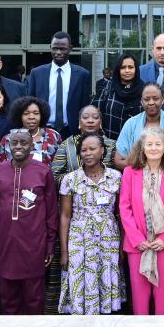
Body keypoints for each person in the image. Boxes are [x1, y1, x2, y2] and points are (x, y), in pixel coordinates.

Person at [0, 128, 58, 315]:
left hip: (34, 244)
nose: (18, 146)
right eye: (14, 143)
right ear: (8, 145)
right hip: (6, 244)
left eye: (23, 143)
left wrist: (50, 245)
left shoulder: (43, 172)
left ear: (32, 145)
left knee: (34, 298)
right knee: (8, 298)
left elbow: (51, 212)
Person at [119, 126, 164, 315]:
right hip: (137, 244)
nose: (154, 148)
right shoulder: (130, 173)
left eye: (158, 144)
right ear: (142, 148)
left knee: (163, 294)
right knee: (139, 295)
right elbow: (124, 207)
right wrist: (136, 238)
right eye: (149, 144)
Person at [58, 131, 123, 315]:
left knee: (105, 280)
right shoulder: (70, 179)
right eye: (84, 150)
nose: (88, 153)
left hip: (108, 238)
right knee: (80, 282)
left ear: (102, 150)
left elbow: (120, 214)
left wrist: (122, 246)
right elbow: (64, 216)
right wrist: (64, 252)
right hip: (79, 238)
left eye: (92, 149)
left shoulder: (116, 177)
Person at [25, 32, 91, 137]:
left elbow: (85, 106)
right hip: (42, 131)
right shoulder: (37, 73)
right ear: (50, 47)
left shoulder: (82, 75)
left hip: (71, 131)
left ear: (70, 48)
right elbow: (30, 104)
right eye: (55, 48)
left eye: (63, 49)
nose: (58, 52)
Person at [114, 83, 164, 168]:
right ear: (141, 102)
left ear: (162, 100)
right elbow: (118, 161)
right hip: (137, 176)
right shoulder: (130, 124)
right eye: (146, 99)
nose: (151, 103)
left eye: (155, 99)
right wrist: (143, 165)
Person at [52, 105, 117, 181]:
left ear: (100, 122)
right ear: (79, 122)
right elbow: (55, 175)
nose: (90, 120)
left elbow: (118, 174)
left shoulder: (112, 145)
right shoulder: (66, 144)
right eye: (85, 117)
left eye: (95, 117)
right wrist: (81, 182)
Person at [92, 53, 143, 140]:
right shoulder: (108, 87)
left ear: (136, 69)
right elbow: (95, 114)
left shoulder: (144, 89)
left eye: (131, 67)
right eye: (123, 67)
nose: (127, 70)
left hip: (137, 145)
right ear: (118, 70)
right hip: (110, 143)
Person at [1, 96, 63, 165]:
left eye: (36, 113)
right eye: (26, 113)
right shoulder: (8, 139)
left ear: (42, 115)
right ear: (19, 116)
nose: (31, 117)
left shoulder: (54, 135)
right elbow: (4, 168)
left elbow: (59, 165)